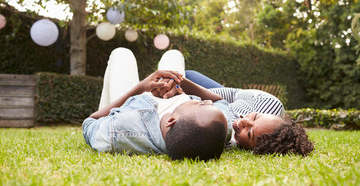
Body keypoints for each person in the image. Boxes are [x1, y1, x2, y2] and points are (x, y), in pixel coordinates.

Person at [82, 48, 232, 161]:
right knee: (173, 54)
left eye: (200, 105)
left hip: (130, 100)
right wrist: (180, 81)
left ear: (171, 121)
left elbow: (90, 123)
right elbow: (220, 101)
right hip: (176, 88)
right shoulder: (218, 129)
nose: (206, 101)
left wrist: (141, 88)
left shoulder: (121, 130)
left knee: (122, 53)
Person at [184, 70, 314, 156]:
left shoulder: (223, 138)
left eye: (249, 132)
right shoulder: (268, 103)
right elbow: (231, 94)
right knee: (188, 74)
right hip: (227, 98)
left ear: (254, 149)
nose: (244, 121)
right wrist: (182, 84)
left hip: (206, 107)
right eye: (255, 117)